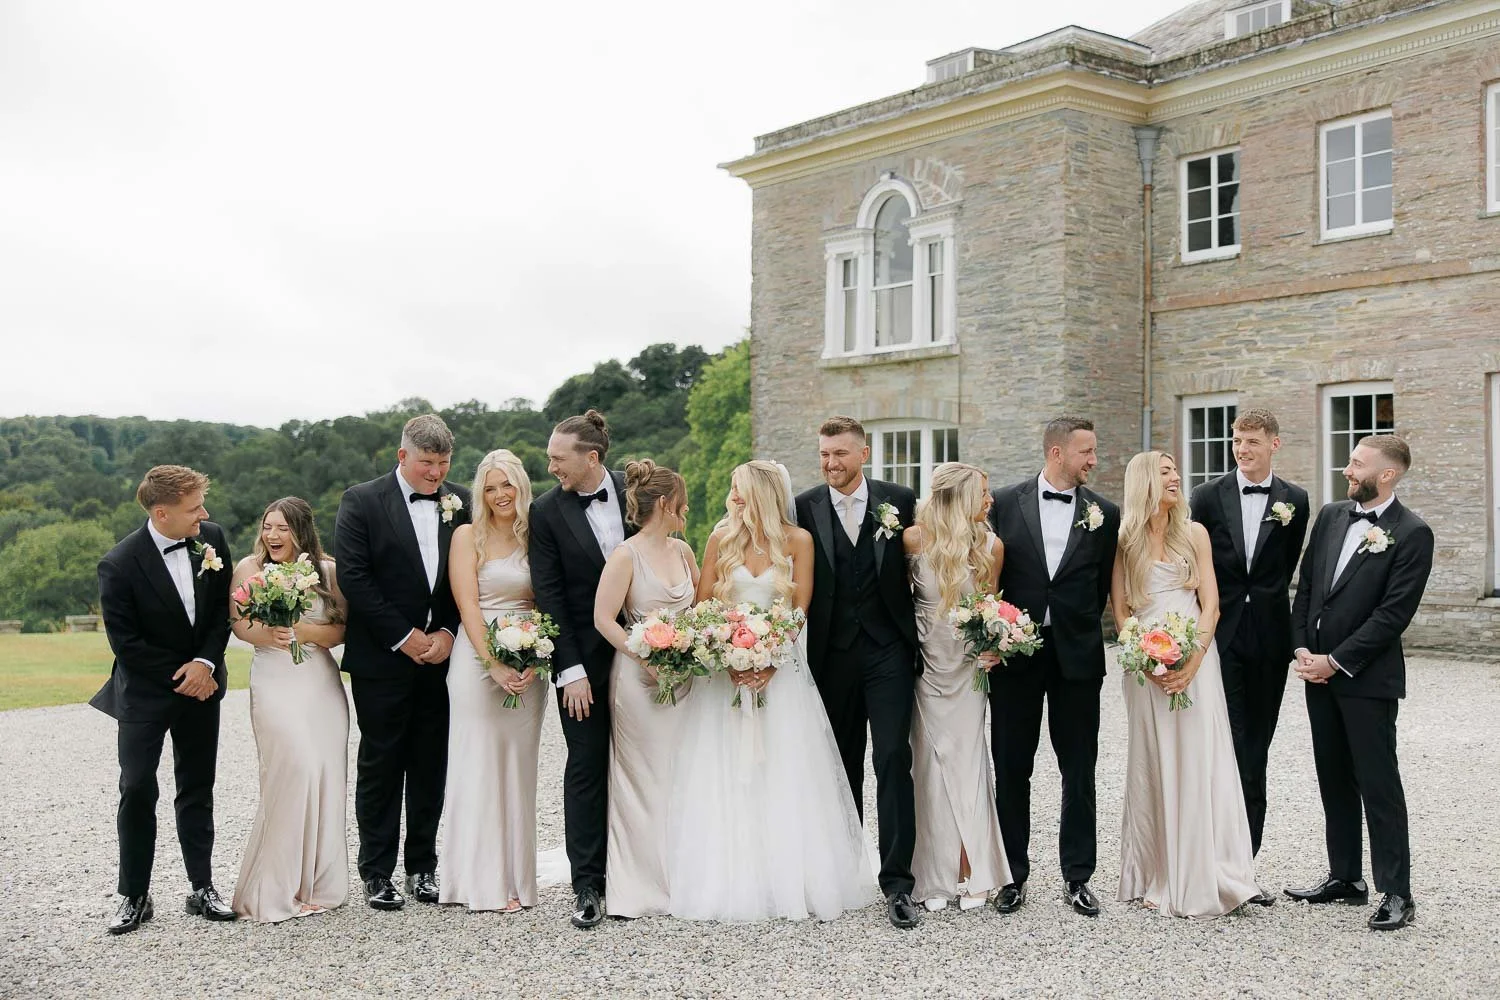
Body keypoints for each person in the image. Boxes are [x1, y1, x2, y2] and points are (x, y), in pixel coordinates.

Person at [668, 460, 873, 922]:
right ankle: (735, 878)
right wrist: (731, 655)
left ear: (760, 492)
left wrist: (770, 662)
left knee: (785, 769)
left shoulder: (798, 541)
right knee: (729, 773)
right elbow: (704, 607)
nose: (732, 497)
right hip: (727, 678)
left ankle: (792, 878)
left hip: (782, 672)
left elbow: (800, 610)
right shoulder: (721, 539)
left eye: (739, 489)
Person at [1285, 435, 1433, 931]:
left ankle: (1397, 891)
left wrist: (1337, 660)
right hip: (1317, 674)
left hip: (1367, 681)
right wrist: (1303, 649)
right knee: (1333, 777)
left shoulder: (1412, 533)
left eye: (1356, 464)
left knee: (1379, 785)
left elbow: (1393, 615)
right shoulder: (1330, 517)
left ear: (1386, 474)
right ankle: (1345, 877)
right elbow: (1307, 588)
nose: (1346, 471)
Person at [1111, 451, 1258, 917]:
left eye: (1176, 471)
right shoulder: (1124, 539)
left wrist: (1191, 663)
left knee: (1200, 755)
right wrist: (1146, 660)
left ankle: (1208, 870)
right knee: (1153, 757)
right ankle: (1158, 869)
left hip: (1197, 655)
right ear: (1144, 482)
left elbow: (1211, 605)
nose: (1176, 478)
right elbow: (1120, 611)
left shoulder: (1193, 534)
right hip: (1143, 666)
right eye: (1166, 471)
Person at [335, 413, 471, 911]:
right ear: (402, 456)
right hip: (382, 661)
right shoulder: (361, 501)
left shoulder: (462, 501)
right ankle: (376, 873)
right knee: (381, 764)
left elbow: (469, 576)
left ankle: (423, 868)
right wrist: (404, 637)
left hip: (442, 658)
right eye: (426, 463)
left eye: (443, 464)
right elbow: (354, 577)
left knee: (432, 764)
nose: (436, 474)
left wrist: (449, 632)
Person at [92, 465, 236, 934]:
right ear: (162, 512)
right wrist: (184, 674)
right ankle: (133, 895)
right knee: (136, 788)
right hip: (145, 694)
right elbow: (125, 643)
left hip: (205, 685)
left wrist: (206, 664)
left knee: (197, 787)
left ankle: (201, 887)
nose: (205, 514)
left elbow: (220, 614)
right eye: (194, 508)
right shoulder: (119, 563)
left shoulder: (210, 538)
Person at [985, 417, 1119, 916]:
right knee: (1012, 766)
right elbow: (990, 573)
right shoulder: (1002, 503)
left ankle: (1079, 875)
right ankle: (1011, 876)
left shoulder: (1105, 512)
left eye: (1094, 451)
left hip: (1078, 658)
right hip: (1015, 656)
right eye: (1086, 451)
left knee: (1079, 769)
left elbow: (1103, 585)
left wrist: (1076, 625)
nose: (1093, 460)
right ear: (1056, 453)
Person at [794, 416, 922, 929]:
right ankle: (847, 873)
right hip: (832, 654)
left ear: (863, 453)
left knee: (892, 758)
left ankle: (897, 884)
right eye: (824, 454)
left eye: (840, 454)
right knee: (840, 764)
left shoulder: (901, 499)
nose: (831, 464)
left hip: (888, 648)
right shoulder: (804, 506)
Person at [1188, 409, 1309, 893]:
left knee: (1257, 748)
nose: (1242, 449)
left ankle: (1245, 865)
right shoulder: (1207, 496)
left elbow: (1286, 566)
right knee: (1229, 745)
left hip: (1270, 640)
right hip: (1221, 637)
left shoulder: (1295, 500)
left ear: (1274, 444)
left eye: (1252, 442)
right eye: (1237, 441)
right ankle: (1215, 859)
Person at [527, 409, 633, 928]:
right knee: (586, 766)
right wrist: (569, 670)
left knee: (648, 762)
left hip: (646, 656)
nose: (551, 468)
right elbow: (548, 596)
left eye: (557, 459)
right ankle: (588, 885)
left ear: (591, 457)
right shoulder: (545, 513)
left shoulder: (639, 487)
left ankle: (646, 873)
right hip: (583, 662)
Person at [230, 497, 349, 922]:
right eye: (268, 527)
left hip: (320, 682)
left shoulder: (328, 571)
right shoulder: (249, 569)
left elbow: (337, 631)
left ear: (301, 531)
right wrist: (273, 632)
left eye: (282, 528)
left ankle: (316, 885)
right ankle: (274, 889)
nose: (273, 536)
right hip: (275, 681)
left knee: (325, 776)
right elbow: (241, 626)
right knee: (291, 771)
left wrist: (299, 627)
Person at [439, 449, 545, 912]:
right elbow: (468, 607)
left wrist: (532, 655)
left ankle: (517, 880)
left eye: (507, 485)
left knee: (518, 767)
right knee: (477, 760)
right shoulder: (467, 536)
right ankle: (477, 881)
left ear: (521, 486)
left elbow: (547, 601)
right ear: (480, 494)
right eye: (490, 487)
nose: (501, 494)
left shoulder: (538, 536)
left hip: (529, 660)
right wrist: (494, 664)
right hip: (476, 658)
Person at [904, 462, 1012, 912]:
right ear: (959, 497)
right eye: (982, 493)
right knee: (928, 766)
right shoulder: (913, 539)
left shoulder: (990, 544)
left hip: (968, 666)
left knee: (968, 764)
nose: (990, 501)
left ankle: (973, 871)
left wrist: (997, 646)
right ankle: (934, 875)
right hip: (926, 664)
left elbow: (991, 607)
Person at [593, 459, 698, 918]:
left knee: (683, 775)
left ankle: (685, 877)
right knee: (642, 779)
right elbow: (603, 620)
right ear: (664, 504)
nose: (687, 509)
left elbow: (698, 611)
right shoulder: (625, 556)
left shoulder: (684, 552)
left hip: (688, 682)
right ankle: (640, 886)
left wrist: (692, 649)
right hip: (639, 680)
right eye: (683, 502)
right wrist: (647, 656)